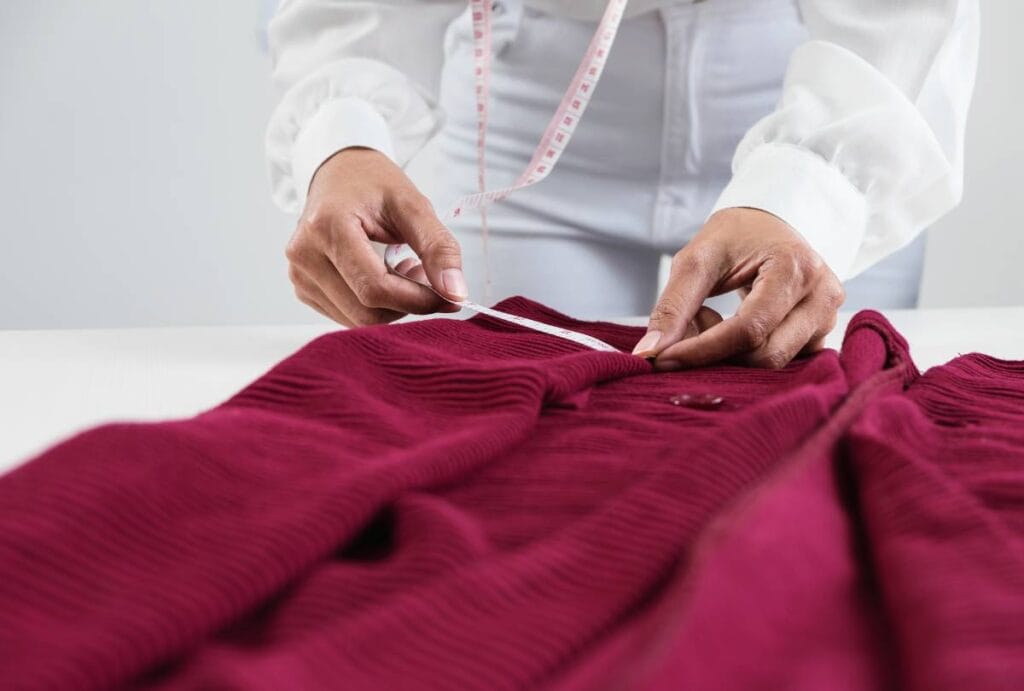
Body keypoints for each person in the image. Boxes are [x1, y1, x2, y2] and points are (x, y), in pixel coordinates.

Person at [265, 0, 978, 369]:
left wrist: (813, 189)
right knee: (519, 451)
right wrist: (343, 139)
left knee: (825, 450)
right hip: (526, 104)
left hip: (825, 85)